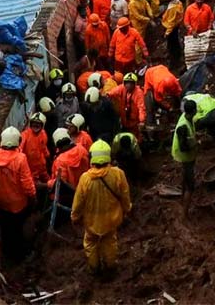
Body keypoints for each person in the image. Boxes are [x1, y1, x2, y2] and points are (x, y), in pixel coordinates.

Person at [0, 127, 36, 264]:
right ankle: (20, 256)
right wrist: (33, 198)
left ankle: (7, 253)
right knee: (18, 230)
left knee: (6, 228)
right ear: (17, 141)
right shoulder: (20, 159)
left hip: (0, 203)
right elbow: (28, 186)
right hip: (18, 205)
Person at [71, 140, 133, 274]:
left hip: (91, 221)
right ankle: (110, 266)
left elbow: (78, 201)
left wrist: (75, 217)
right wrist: (127, 209)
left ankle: (94, 267)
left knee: (90, 243)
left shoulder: (85, 179)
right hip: (111, 219)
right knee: (110, 241)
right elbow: (125, 194)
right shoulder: (118, 174)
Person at [171, 99, 198, 213]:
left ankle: (183, 197)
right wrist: (196, 144)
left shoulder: (186, 117)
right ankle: (184, 213)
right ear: (194, 111)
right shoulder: (183, 126)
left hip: (187, 156)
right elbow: (183, 147)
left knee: (185, 177)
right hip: (184, 156)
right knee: (190, 186)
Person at [50, 128, 89, 204]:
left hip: (70, 198)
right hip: (86, 189)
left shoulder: (60, 160)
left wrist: (47, 183)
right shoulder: (82, 149)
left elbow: (61, 184)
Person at [107, 72, 145, 140]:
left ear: (135, 84)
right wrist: (107, 96)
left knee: (135, 139)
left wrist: (142, 121)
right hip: (124, 120)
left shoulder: (139, 93)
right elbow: (113, 92)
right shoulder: (122, 88)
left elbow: (141, 107)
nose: (128, 85)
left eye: (131, 83)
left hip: (134, 123)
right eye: (127, 83)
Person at [143, 64, 183, 128]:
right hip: (150, 73)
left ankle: (175, 116)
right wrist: (169, 107)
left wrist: (179, 105)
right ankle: (150, 123)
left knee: (177, 100)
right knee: (149, 101)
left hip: (162, 69)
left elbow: (178, 93)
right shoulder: (158, 84)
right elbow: (158, 99)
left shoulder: (174, 81)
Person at [20, 112, 50, 185]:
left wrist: (48, 156)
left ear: (42, 125)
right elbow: (19, 149)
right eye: (34, 123)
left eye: (38, 124)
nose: (36, 125)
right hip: (31, 169)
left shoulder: (43, 133)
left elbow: (44, 147)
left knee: (49, 181)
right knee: (36, 186)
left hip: (42, 167)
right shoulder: (25, 135)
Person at [161, 0, 185, 70]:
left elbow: (171, 22)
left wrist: (167, 33)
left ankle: (174, 63)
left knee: (172, 46)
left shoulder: (172, 8)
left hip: (171, 29)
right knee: (176, 44)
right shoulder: (178, 2)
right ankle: (177, 57)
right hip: (176, 27)